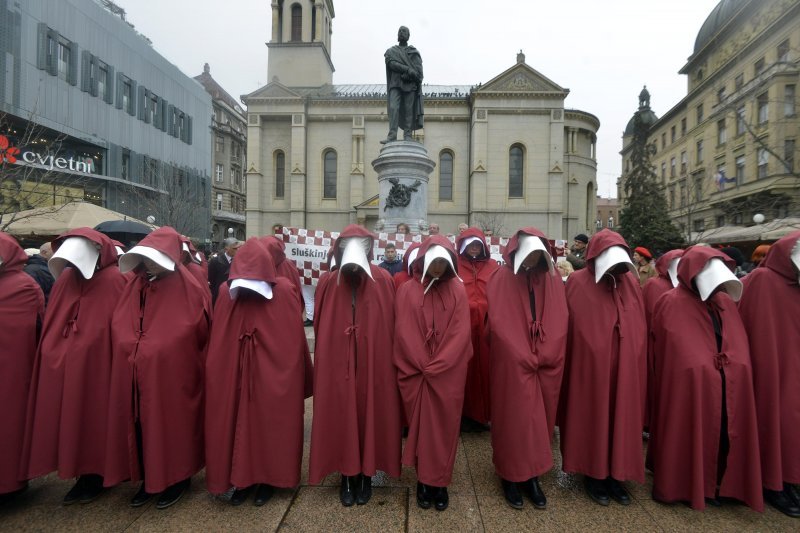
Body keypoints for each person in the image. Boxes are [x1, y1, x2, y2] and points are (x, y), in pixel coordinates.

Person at [104, 227, 211, 510]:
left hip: (173, 372)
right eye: (145, 260)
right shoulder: (134, 285)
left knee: (172, 425)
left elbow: (195, 327)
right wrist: (132, 344)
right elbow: (120, 320)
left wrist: (159, 346)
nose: (148, 265)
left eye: (154, 259)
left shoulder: (188, 285)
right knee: (140, 426)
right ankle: (147, 479)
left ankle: (177, 478)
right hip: (137, 370)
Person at [649, 246, 762, 512]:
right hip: (692, 384)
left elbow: (737, 340)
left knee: (725, 430)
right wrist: (701, 365)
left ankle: (722, 483)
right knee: (689, 427)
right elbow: (673, 348)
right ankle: (687, 484)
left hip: (725, 381)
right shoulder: (671, 302)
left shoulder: (725, 302)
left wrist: (731, 365)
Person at [21, 228, 127, 505]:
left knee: (96, 418)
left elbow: (120, 324)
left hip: (101, 365)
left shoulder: (115, 280)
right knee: (71, 417)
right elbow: (56, 318)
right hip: (69, 364)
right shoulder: (67, 278)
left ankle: (98, 473)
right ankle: (81, 473)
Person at [205, 238, 311, 506]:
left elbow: (291, 339)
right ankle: (241, 480)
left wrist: (284, 371)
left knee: (269, 423)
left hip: (271, 373)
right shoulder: (226, 293)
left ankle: (268, 479)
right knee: (236, 423)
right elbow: (220, 338)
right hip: (237, 373)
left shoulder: (284, 291)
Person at [309, 225, 402, 507]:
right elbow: (321, 323)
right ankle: (347, 474)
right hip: (340, 361)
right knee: (342, 413)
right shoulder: (328, 281)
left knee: (368, 412)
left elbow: (389, 322)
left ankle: (365, 473)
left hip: (373, 360)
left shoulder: (383, 279)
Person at [559, 229, 646, 506]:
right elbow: (573, 326)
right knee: (593, 418)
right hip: (591, 369)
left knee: (622, 418)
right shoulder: (578, 282)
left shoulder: (630, 283)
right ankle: (594, 474)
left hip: (625, 369)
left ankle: (617, 475)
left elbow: (637, 324)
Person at [487, 228, 568, 510]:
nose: (533, 260)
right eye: (530, 254)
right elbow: (500, 323)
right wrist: (521, 354)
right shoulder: (502, 278)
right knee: (514, 419)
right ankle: (510, 474)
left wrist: (546, 353)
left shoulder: (552, 280)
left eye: (538, 255)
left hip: (544, 363)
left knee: (540, 421)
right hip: (513, 363)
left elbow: (560, 320)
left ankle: (532, 474)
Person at [394, 236, 472, 512]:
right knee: (421, 428)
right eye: (433, 262)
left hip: (447, 375)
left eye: (443, 262)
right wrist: (421, 363)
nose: (438, 268)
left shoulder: (458, 291)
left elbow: (461, 333)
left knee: (444, 429)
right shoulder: (406, 291)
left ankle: (440, 482)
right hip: (417, 373)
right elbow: (404, 332)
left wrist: (440, 364)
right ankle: (423, 481)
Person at [738, 231, 800, 517]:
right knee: (778, 421)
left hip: (792, 367)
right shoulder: (763, 280)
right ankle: (775, 484)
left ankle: (789, 480)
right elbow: (754, 326)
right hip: (770, 369)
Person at [0, 233, 44, 505]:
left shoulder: (24, 285)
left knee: (9, 423)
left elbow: (33, 325)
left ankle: (11, 483)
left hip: (12, 367)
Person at [456, 228, 499, 432]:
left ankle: (487, 414)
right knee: (465, 370)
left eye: (477, 245)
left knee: (488, 369)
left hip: (487, 327)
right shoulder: (455, 265)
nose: (474, 248)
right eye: (470, 245)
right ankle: (466, 414)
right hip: (463, 327)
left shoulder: (492, 266)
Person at [382, 26, 423, 143]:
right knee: (393, 108)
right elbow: (391, 64)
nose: (401, 33)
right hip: (395, 84)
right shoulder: (391, 51)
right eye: (399, 31)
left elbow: (419, 73)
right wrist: (407, 69)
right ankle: (392, 135)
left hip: (410, 85)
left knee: (409, 110)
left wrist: (410, 74)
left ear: (408, 36)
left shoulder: (414, 52)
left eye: (404, 31)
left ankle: (408, 135)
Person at [208, 237, 240, 305]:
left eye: (238, 248)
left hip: (234, 297)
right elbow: (211, 280)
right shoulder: (215, 261)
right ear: (226, 249)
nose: (238, 250)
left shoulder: (240, 261)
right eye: (235, 248)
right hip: (218, 297)